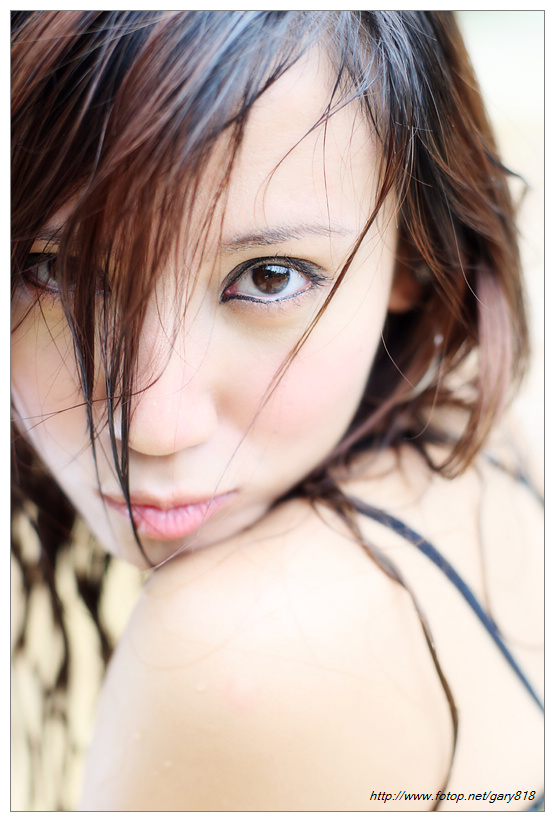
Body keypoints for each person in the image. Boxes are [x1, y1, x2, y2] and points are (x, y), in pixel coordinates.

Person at [11, 10, 543, 812]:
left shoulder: (238, 652)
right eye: (58, 272)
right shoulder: (468, 438)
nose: (151, 428)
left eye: (269, 276)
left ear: (413, 258)